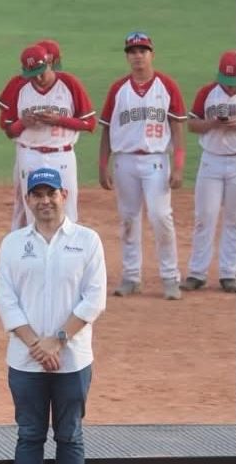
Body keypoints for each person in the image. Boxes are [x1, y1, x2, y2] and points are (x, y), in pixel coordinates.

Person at [0, 167, 107, 464]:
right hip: (26, 359)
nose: (45, 201)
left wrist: (57, 341)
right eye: (37, 194)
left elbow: (94, 299)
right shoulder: (13, 244)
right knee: (29, 435)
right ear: (27, 200)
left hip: (72, 358)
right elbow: (6, 300)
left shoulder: (87, 241)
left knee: (70, 435)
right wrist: (36, 344)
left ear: (64, 196)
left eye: (51, 193)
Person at [98, 31, 186, 300]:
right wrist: (103, 164)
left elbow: (177, 127)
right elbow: (106, 129)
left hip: (156, 159)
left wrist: (178, 165)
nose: (138, 56)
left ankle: (170, 277)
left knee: (161, 217)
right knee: (128, 218)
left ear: (152, 54)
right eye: (133, 52)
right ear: (127, 57)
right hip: (125, 160)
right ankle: (131, 276)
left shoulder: (166, 86)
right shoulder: (118, 89)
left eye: (142, 51)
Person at [0, 43, 95, 229]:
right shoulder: (20, 87)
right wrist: (23, 123)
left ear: (49, 63)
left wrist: (59, 120)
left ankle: (67, 248)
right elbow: (8, 129)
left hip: (62, 155)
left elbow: (89, 124)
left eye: (41, 71)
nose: (38, 78)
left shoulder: (68, 84)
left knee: (67, 212)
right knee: (33, 212)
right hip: (29, 155)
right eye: (32, 74)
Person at [180, 50, 236, 293]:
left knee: (234, 219)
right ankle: (197, 273)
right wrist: (212, 123)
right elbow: (192, 124)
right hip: (211, 161)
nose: (230, 86)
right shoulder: (207, 92)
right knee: (205, 217)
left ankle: (229, 273)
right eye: (226, 81)